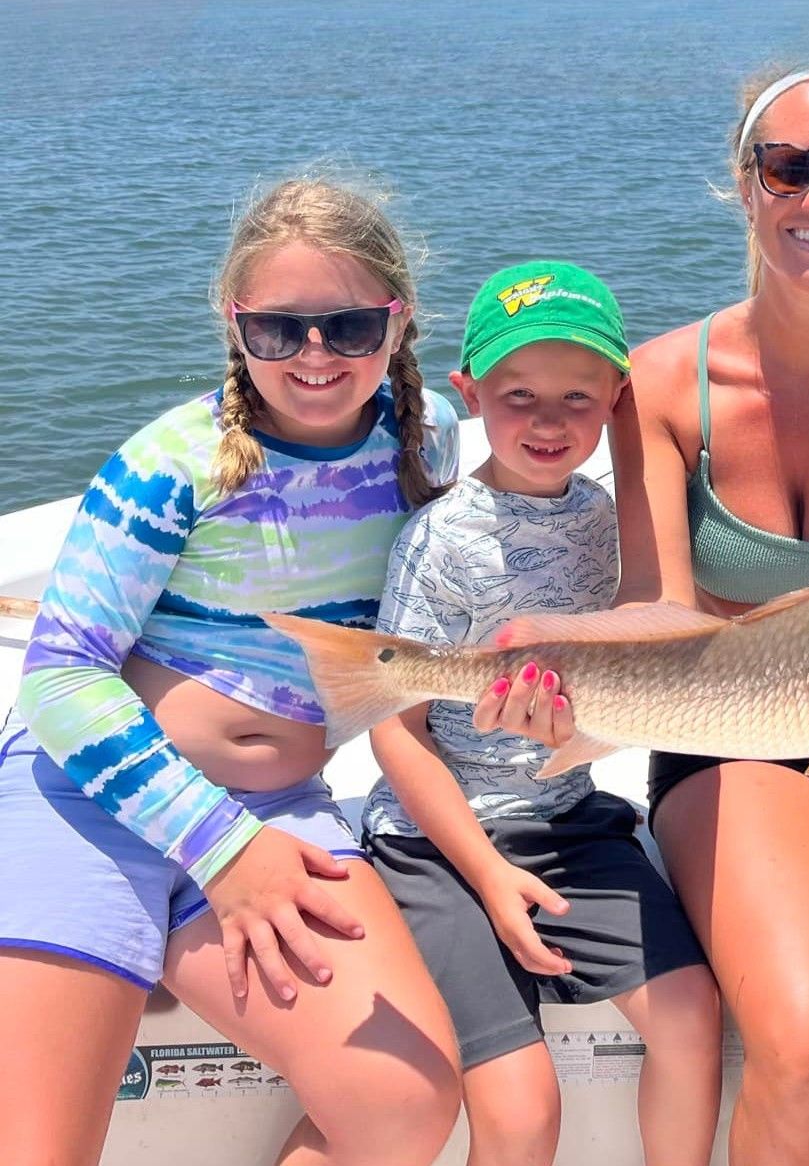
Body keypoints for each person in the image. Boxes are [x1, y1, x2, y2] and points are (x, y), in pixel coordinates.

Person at [481, 65, 809, 1166]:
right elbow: (663, 613)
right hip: (731, 727)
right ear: (745, 181)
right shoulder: (664, 387)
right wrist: (553, 671)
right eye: (791, 166)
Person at [0, 178, 464, 1166]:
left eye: (347, 327)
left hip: (278, 814)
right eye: (278, 330)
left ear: (400, 319)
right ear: (234, 322)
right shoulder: (172, 462)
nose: (313, 356)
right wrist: (218, 847)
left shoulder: (427, 451)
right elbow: (59, 675)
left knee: (404, 1108)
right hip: (86, 804)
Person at [363, 260, 722, 1166]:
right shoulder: (439, 539)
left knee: (690, 1015)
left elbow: (661, 631)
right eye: (518, 393)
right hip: (437, 846)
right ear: (469, 393)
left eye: (578, 395)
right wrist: (486, 873)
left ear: (616, 401)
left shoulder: (609, 521)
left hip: (570, 821)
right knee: (523, 1112)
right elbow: (391, 725)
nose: (550, 420)